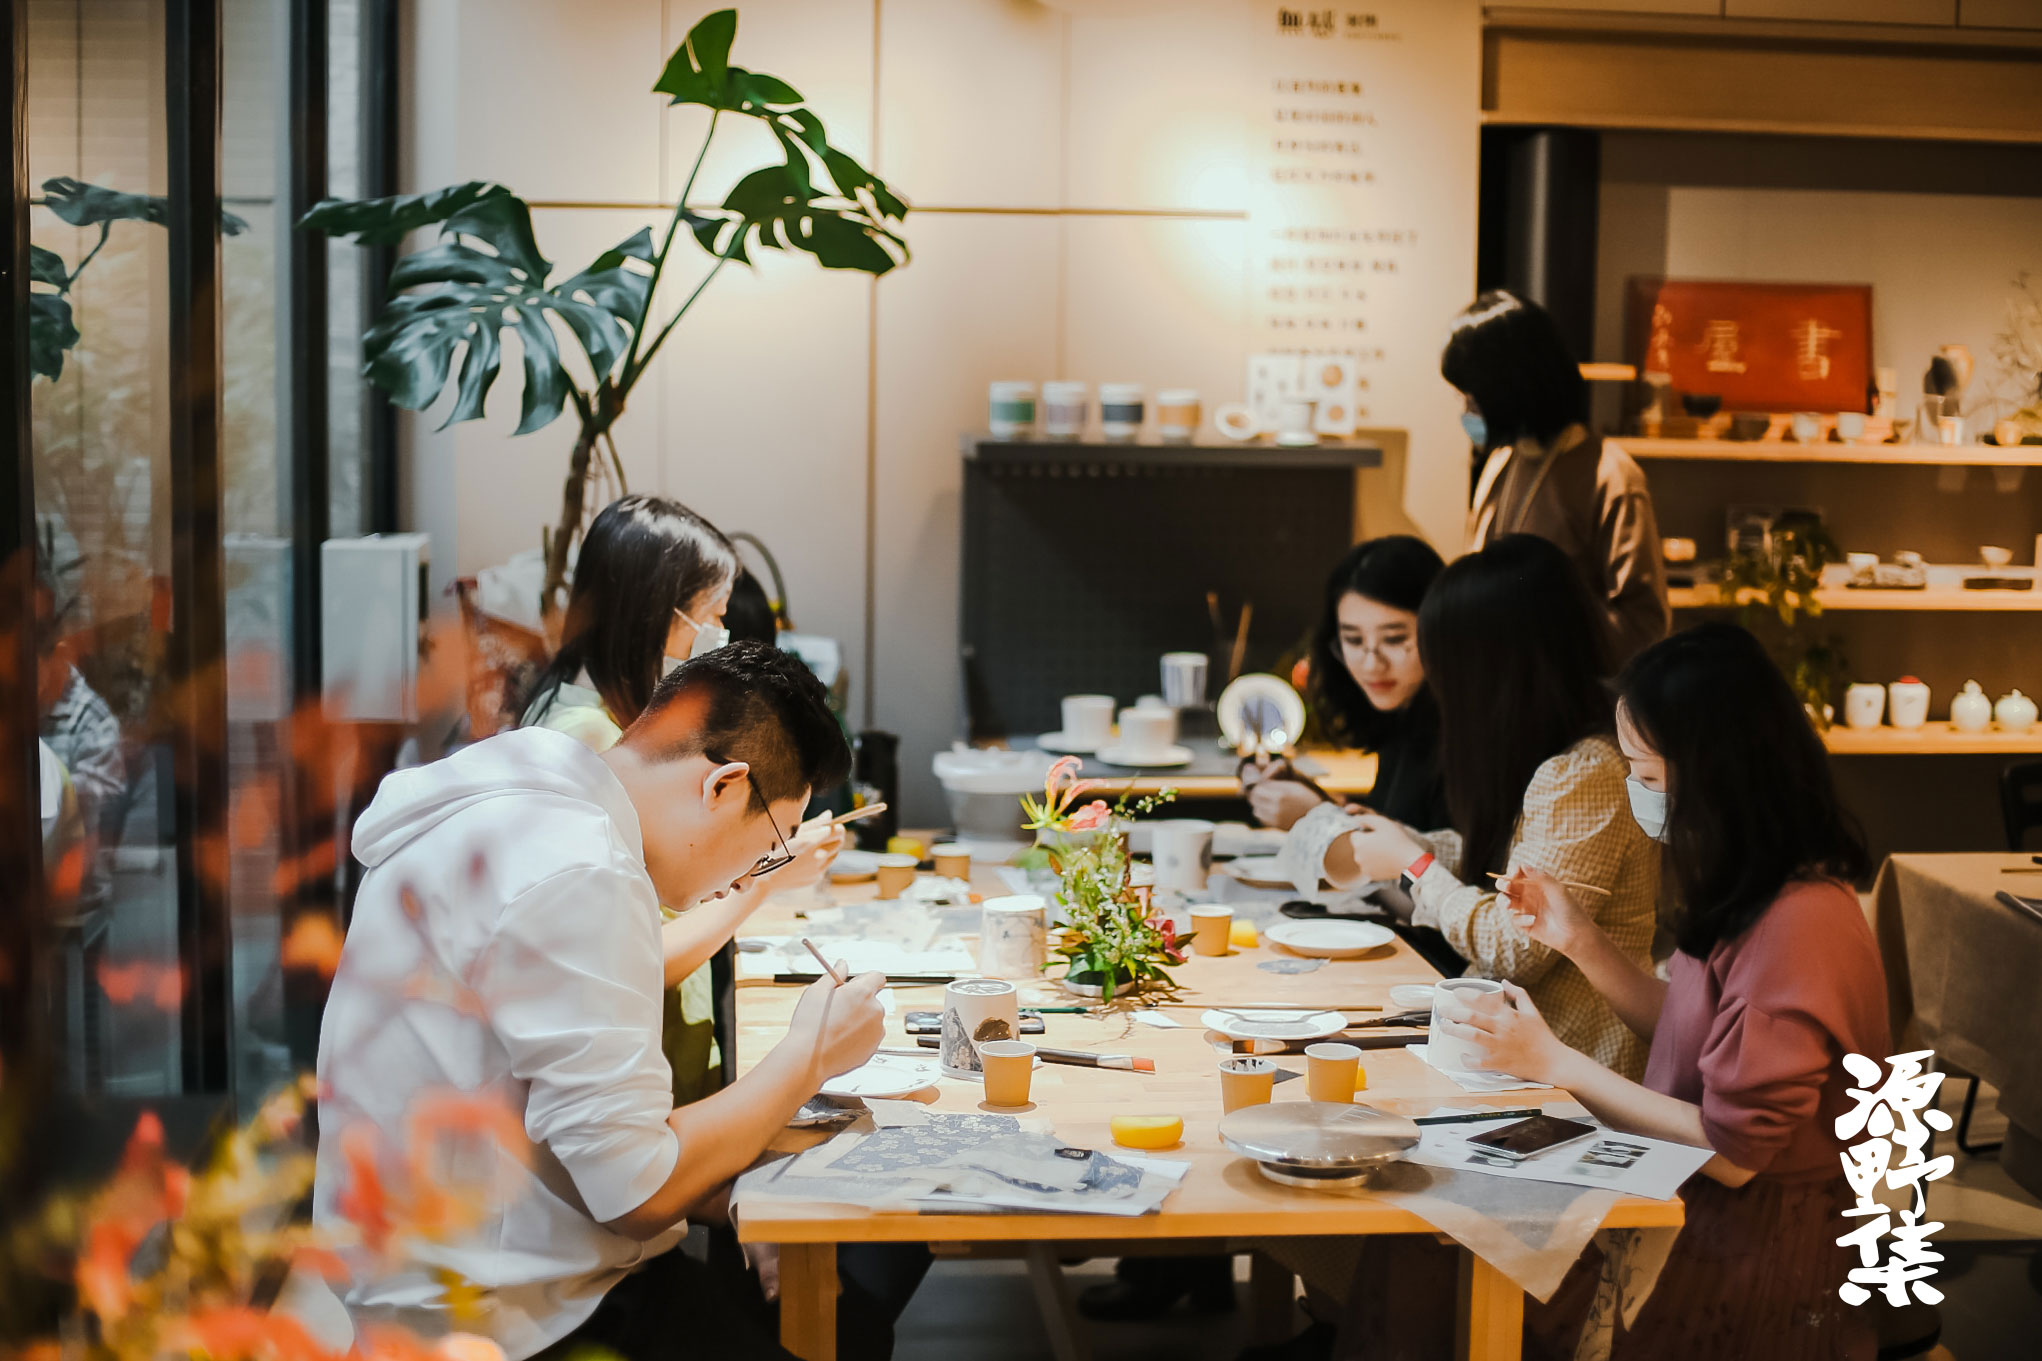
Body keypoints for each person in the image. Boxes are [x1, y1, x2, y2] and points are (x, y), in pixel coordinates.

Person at [313, 644, 903, 1361]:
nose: (751, 873)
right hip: (504, 1318)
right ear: (722, 786)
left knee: (837, 1307)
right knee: (845, 1326)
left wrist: (739, 1187)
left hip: (439, 1268)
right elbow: (637, 1191)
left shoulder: (524, 790)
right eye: (770, 845)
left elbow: (567, 1127)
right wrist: (809, 1053)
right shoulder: (580, 868)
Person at [1428, 621, 1885, 1359]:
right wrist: (1577, 938)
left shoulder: (1800, 923)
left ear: (1714, 771)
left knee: (1454, 1251)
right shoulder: (1757, 881)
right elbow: (1688, 1032)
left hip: (1758, 1245)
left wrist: (1553, 1061)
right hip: (1697, 1198)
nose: (1636, 791)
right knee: (1452, 1223)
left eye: (1644, 774)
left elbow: (1736, 1153)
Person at [1281, 534, 1659, 1080]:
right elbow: (1515, 864)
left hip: (1571, 1075)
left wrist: (1414, 865)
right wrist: (1405, 844)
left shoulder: (1584, 772)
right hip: (1513, 1054)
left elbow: (1516, 947)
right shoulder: (1552, 753)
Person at [518, 495, 840, 1105]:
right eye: (712, 616)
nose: (718, 637)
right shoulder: (591, 743)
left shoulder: (611, 722)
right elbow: (636, 958)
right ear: (653, 614)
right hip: (629, 1075)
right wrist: (765, 877)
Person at [1444, 290, 1670, 666]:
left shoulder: (1611, 478)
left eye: (1473, 396)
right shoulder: (1502, 462)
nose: (1466, 409)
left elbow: (1643, 625)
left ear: (1512, 386)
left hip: (1568, 702)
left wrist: (1545, 620)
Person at [1243, 535, 1448, 834]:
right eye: (1353, 640)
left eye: (1393, 639)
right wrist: (1321, 804)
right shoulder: (1401, 718)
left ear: (1439, 630)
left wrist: (1316, 818)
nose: (1370, 664)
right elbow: (1393, 831)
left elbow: (1434, 867)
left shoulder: (1460, 734)